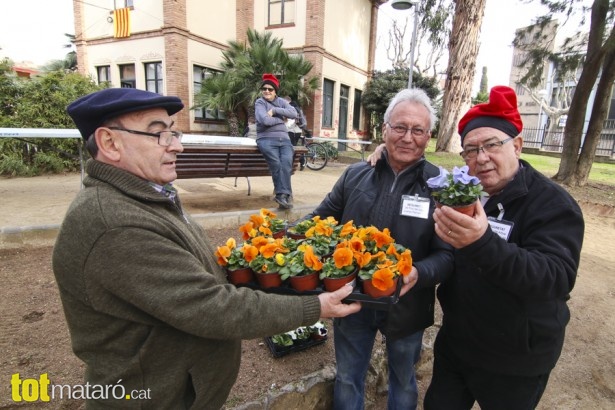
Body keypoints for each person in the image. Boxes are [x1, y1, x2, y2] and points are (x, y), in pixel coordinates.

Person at [52, 87, 361, 409]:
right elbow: (211, 308)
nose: (177, 145)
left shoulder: (143, 196)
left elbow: (191, 273)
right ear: (109, 143)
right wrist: (314, 307)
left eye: (174, 132)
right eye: (159, 134)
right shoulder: (116, 224)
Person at [422, 86, 585, 409]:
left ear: (518, 146)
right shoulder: (464, 195)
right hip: (458, 343)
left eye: (492, 145)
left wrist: (482, 242)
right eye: (471, 150)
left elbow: (555, 277)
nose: (481, 158)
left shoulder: (552, 204)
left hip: (516, 358)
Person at [304, 88, 454, 409]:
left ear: (428, 136)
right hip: (353, 299)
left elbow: (447, 255)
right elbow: (320, 217)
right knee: (347, 377)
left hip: (407, 302)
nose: (407, 137)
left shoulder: (440, 187)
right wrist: (283, 237)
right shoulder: (356, 174)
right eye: (399, 127)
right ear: (384, 129)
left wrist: (419, 272)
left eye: (418, 130)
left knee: (403, 380)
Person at [254, 73, 298, 209]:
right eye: (264, 89)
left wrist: (275, 110)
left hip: (284, 140)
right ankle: (283, 195)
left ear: (275, 91)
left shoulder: (281, 102)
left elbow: (294, 114)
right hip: (266, 139)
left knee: (286, 164)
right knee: (276, 164)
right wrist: (281, 119)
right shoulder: (260, 102)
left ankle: (282, 196)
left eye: (270, 89)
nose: (266, 91)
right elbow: (265, 121)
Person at [283, 95, 308, 170]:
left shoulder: (291, 108)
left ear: (287, 101)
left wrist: (285, 127)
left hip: (291, 130)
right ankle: (302, 161)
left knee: (291, 148)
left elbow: (290, 122)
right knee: (295, 147)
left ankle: (293, 164)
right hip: (298, 130)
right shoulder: (298, 108)